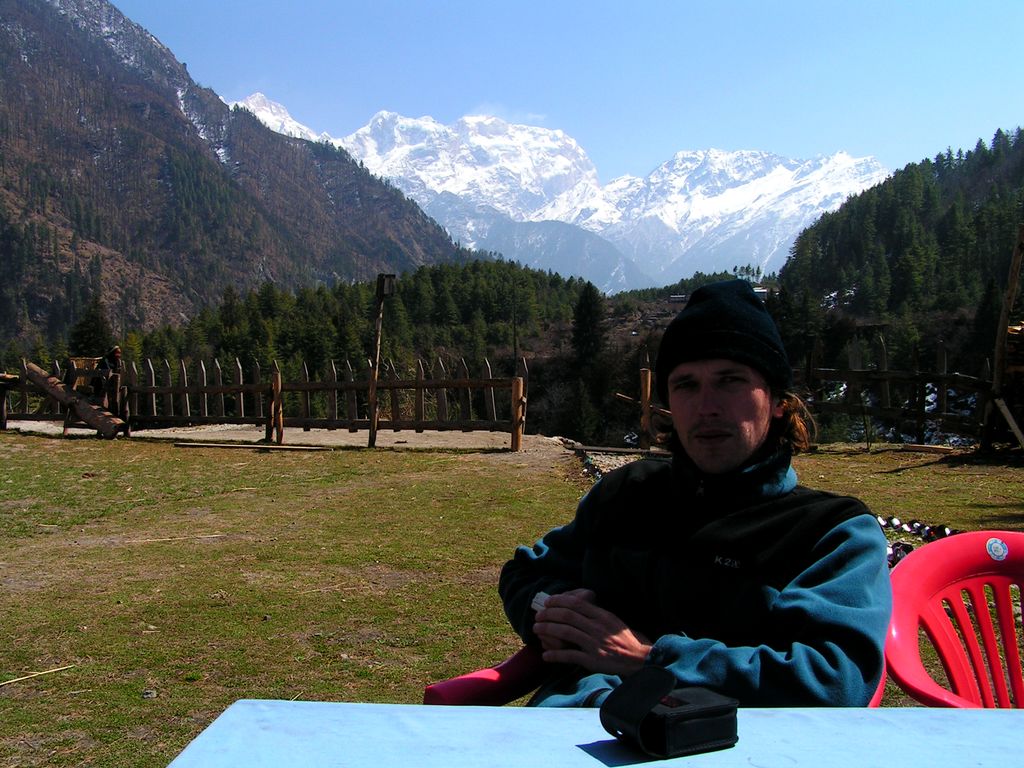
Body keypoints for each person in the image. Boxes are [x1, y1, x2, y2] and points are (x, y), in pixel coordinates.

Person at [499, 279, 891, 708]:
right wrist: (556, 611)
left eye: (730, 380)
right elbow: (526, 573)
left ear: (779, 400)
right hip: (568, 735)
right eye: (686, 384)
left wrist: (651, 660)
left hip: (724, 747)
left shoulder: (829, 532)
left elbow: (836, 679)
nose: (707, 407)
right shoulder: (627, 495)